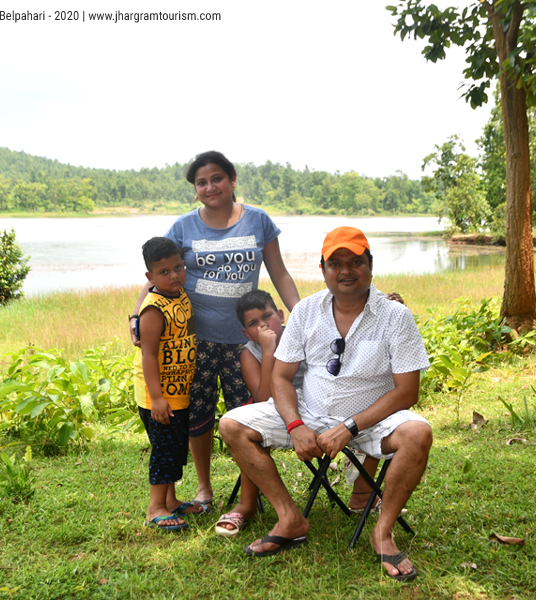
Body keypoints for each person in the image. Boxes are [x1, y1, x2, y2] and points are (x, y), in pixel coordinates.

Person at [219, 226, 432, 582]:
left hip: (371, 423)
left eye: (355, 262)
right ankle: (289, 518)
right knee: (231, 424)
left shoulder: (396, 316)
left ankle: (383, 532)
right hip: (309, 413)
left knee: (418, 433)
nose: (346, 270)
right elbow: (281, 378)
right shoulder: (306, 311)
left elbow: (407, 392)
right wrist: (295, 425)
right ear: (323, 269)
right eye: (335, 263)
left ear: (370, 265)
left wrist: (350, 426)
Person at [130, 151, 300, 513]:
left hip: (246, 341)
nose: (210, 187)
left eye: (217, 178)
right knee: (198, 416)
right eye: (201, 183)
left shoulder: (258, 221)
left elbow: (280, 273)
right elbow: (158, 273)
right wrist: (135, 315)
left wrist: (301, 316)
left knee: (249, 415)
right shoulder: (183, 227)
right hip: (196, 341)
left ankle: (249, 494)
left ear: (232, 179)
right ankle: (204, 488)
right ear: (195, 190)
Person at [215, 289, 396, 536]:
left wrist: (386, 307)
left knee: (370, 411)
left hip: (318, 405)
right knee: (251, 429)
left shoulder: (303, 328)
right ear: (247, 333)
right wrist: (268, 352)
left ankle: (363, 494)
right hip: (279, 409)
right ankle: (246, 505)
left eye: (267, 317)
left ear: (281, 316)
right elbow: (263, 399)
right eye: (253, 324)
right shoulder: (250, 353)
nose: (263, 326)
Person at [133, 237, 203, 531]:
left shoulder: (179, 294)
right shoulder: (153, 309)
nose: (174, 275)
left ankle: (171, 501)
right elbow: (148, 355)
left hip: (179, 391)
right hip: (159, 395)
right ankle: (156, 508)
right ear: (150, 277)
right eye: (164, 272)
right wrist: (157, 398)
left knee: (174, 448)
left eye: (178, 268)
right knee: (163, 450)